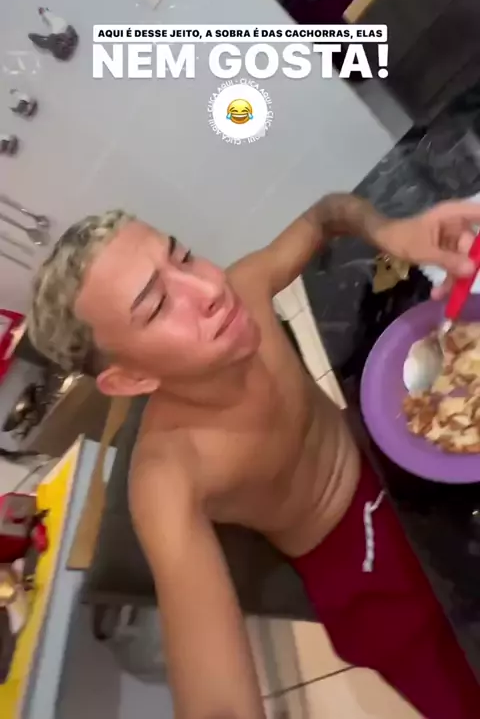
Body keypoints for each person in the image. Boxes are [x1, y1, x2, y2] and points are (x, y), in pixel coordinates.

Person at [27, 194, 480, 719]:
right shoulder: (167, 477)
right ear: (130, 379)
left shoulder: (245, 286)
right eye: (157, 306)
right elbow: (218, 706)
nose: (210, 289)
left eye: (183, 257)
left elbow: (325, 214)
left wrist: (389, 232)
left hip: (392, 452)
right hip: (367, 575)